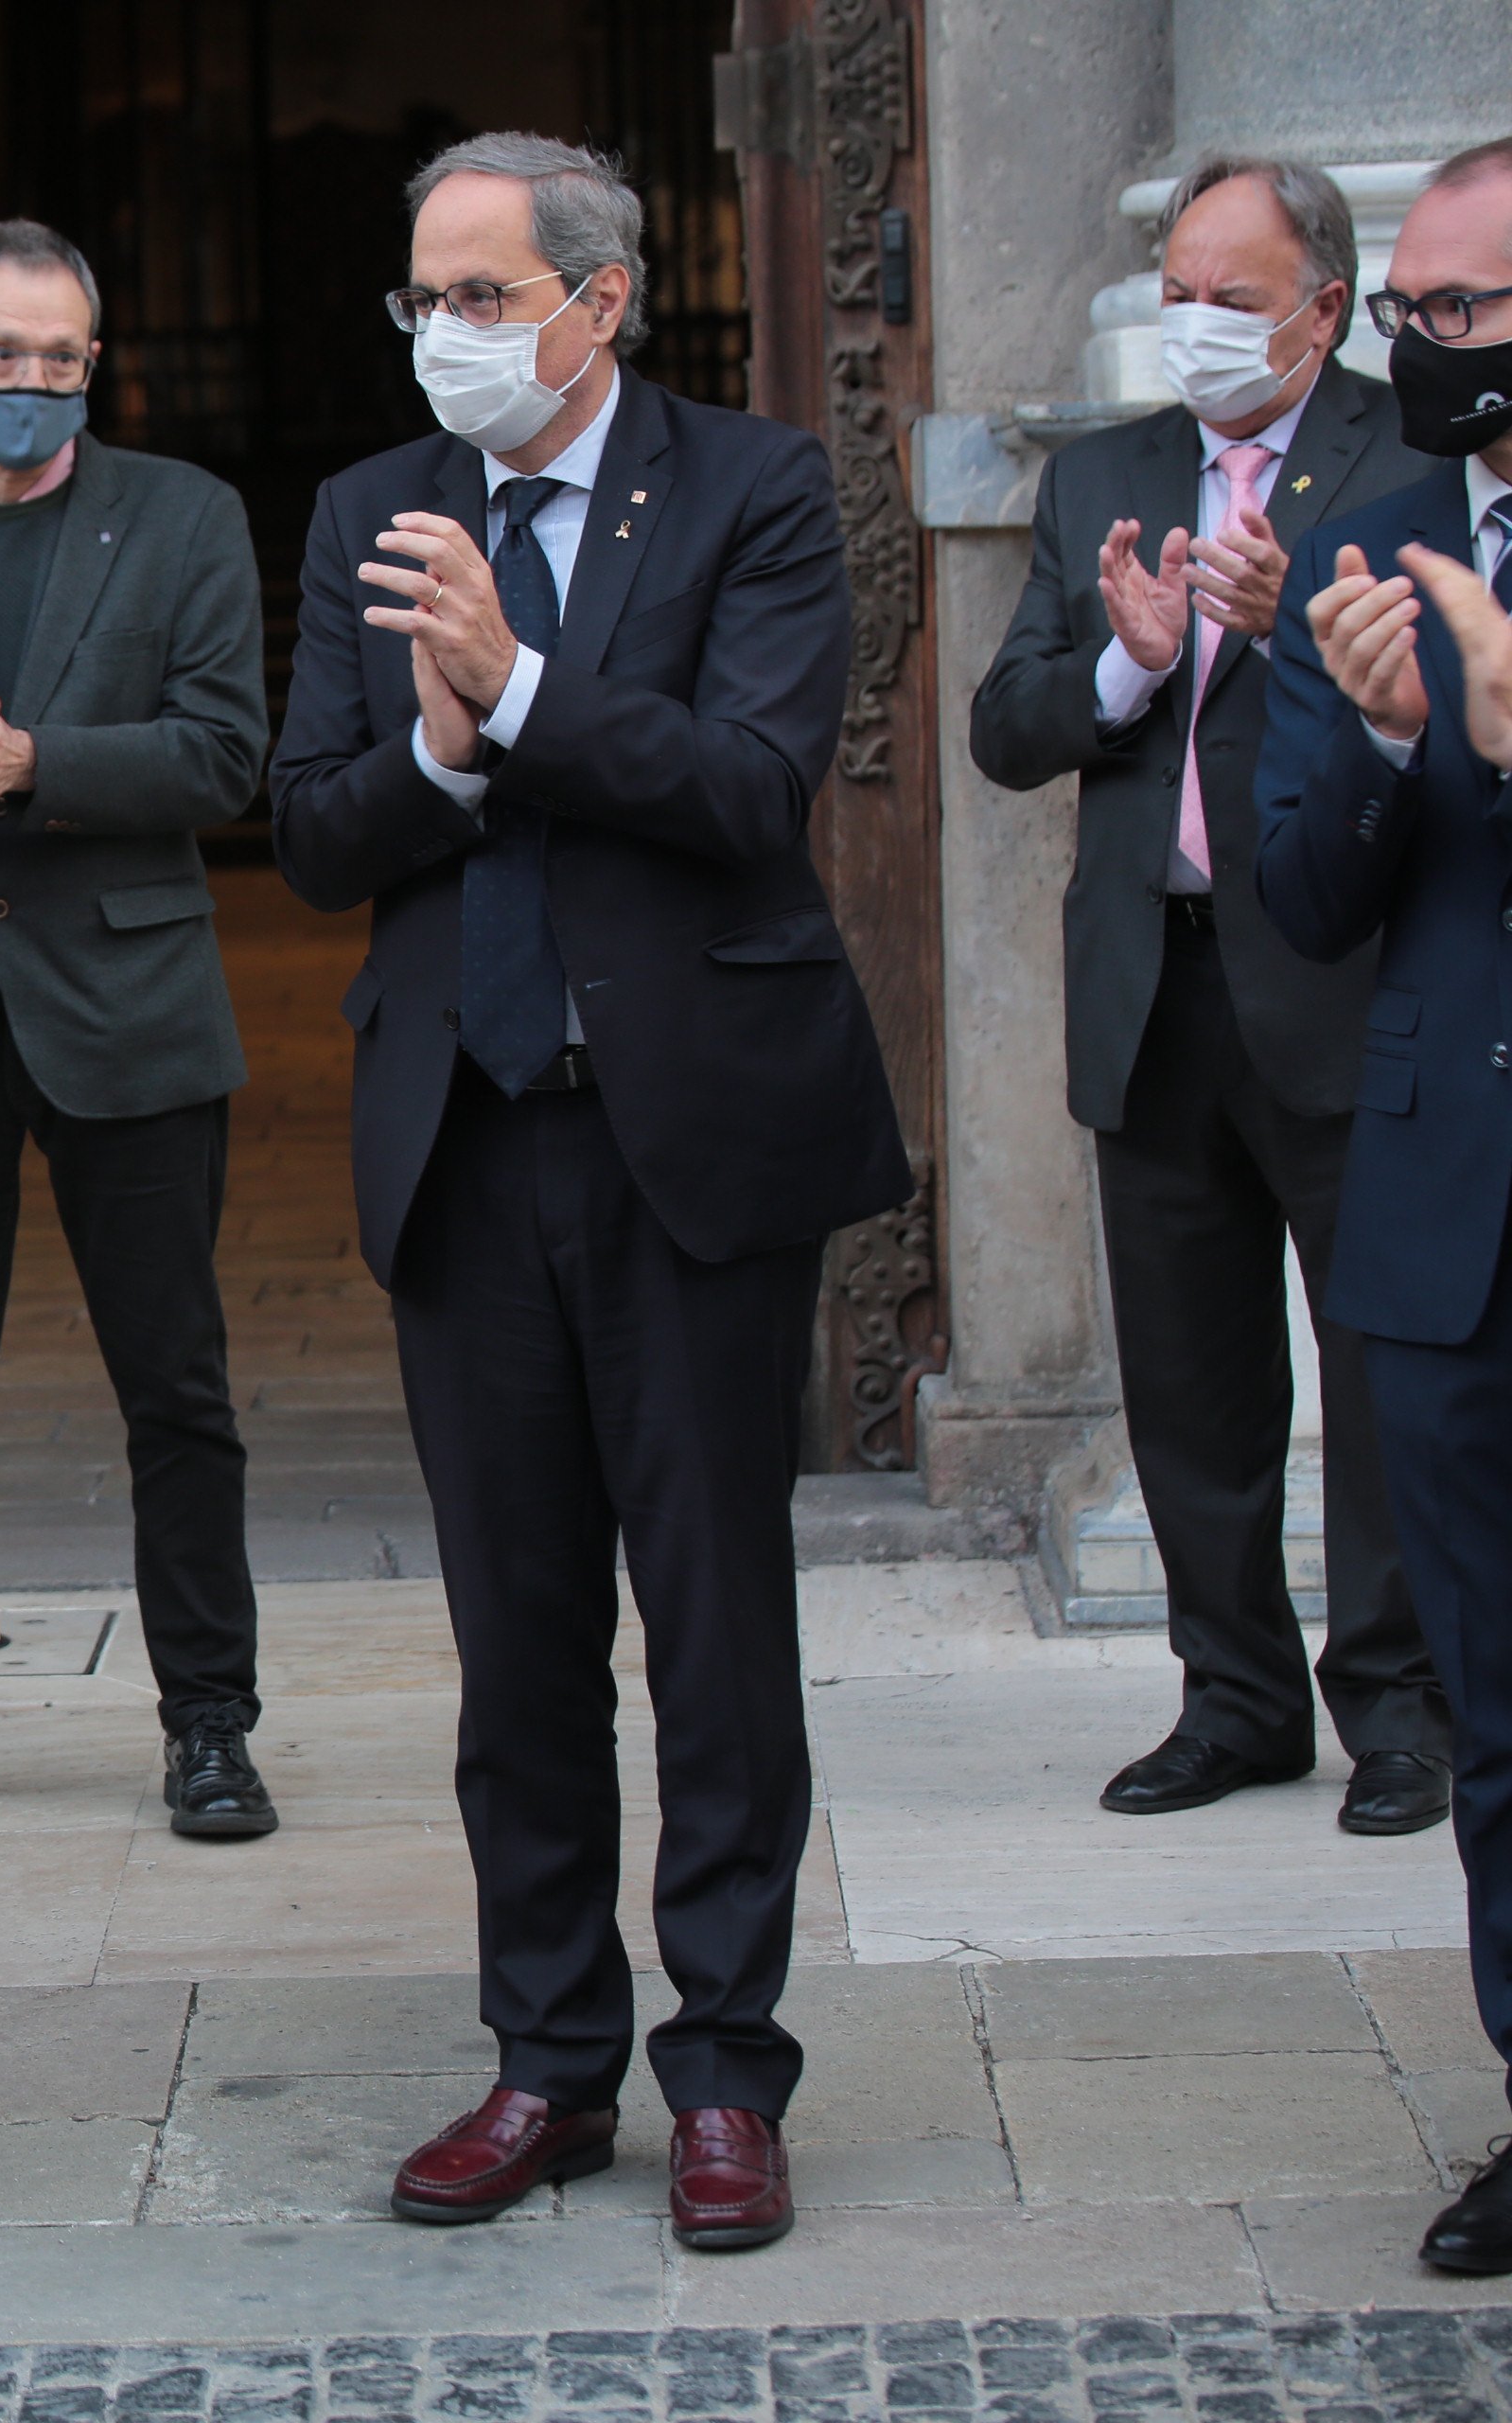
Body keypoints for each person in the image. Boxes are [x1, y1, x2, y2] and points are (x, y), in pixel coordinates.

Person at [270, 134, 906, 2255]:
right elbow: (311, 830)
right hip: (465, 1142)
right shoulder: (373, 513)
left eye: (482, 293)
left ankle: (726, 2068)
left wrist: (521, 693)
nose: (446, 333)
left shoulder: (754, 488)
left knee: (716, 1628)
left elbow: (748, 787)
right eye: (422, 298)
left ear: (600, 300)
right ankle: (550, 2057)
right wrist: (444, 753)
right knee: (515, 1643)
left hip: (689, 1144)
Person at [969, 158, 1446, 1836]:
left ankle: (1403, 1709)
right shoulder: (1111, 470)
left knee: (1380, 1373)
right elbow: (1009, 727)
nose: (1195, 325)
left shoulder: (1410, 451)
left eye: (1231, 299)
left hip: (1344, 984)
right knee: (1191, 1378)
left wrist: (1293, 630)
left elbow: (1458, 706)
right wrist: (1134, 656)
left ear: (1324, 305)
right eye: (1176, 288)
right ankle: (1233, 1698)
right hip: (1152, 985)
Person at [0, 220, 277, 1839]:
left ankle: (211, 1727)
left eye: (63, 357)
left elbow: (227, 753)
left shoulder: (185, 517)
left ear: (94, 363)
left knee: (175, 1389)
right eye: (3, 355)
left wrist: (37, 764)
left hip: (134, 1012)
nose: (33, 382)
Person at [1255, 136, 1512, 2277]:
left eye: (1465, 314)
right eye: (1409, 313)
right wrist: (1369, 730)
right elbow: (1307, 892)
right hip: (1444, 1218)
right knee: (1494, 1702)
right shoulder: (1367, 530)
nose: (1425, 350)